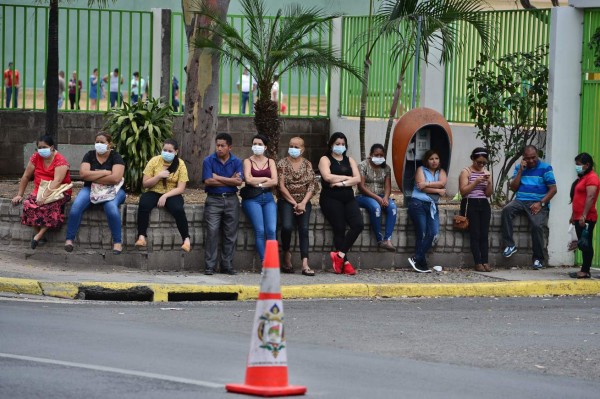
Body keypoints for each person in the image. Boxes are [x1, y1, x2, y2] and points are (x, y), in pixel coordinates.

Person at [64, 132, 126, 254]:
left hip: (113, 189)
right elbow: (83, 175)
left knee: (111, 207)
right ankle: (69, 240)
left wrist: (92, 176)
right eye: (97, 142)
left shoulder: (116, 156)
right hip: (91, 188)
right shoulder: (89, 155)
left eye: (102, 142)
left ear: (109, 144)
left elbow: (115, 179)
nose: (99, 144)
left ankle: (117, 243)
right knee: (76, 206)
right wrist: (106, 172)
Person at [11, 135, 72, 249]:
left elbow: (57, 181)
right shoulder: (36, 157)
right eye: (39, 147)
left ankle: (39, 235)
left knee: (50, 205)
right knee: (28, 204)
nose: (42, 150)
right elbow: (26, 176)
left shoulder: (60, 160)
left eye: (45, 147)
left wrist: (44, 196)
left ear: (52, 147)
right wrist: (19, 194)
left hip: (58, 191)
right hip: (39, 190)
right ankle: (39, 233)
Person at [501, 145, 557, 270]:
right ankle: (510, 245)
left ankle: (538, 259)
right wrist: (521, 170)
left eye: (533, 157)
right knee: (506, 210)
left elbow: (553, 189)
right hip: (521, 200)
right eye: (528, 158)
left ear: (537, 155)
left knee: (537, 226)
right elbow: (514, 188)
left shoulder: (545, 168)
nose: (531, 160)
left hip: (537, 202)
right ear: (523, 158)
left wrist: (541, 203)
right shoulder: (519, 168)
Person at [318, 132, 364, 275]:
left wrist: (342, 183)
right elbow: (327, 177)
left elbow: (357, 179)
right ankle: (346, 263)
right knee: (340, 228)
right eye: (337, 144)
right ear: (331, 144)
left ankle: (339, 255)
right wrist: (346, 177)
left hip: (348, 198)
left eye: (343, 144)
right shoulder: (325, 159)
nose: (340, 146)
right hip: (330, 198)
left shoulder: (349, 160)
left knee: (358, 225)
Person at [134, 139, 191, 253]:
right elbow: (145, 184)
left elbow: (181, 188)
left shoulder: (180, 164)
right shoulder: (155, 161)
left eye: (170, 151)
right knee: (144, 203)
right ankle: (141, 236)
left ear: (176, 152)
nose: (167, 153)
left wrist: (165, 196)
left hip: (172, 192)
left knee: (178, 209)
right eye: (164, 150)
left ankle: (186, 239)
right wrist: (158, 176)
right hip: (154, 190)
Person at [202, 132, 244, 275]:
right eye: (217, 145)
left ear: (229, 147)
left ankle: (227, 265)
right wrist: (230, 179)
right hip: (214, 199)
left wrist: (217, 177)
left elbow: (239, 181)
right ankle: (210, 266)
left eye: (222, 146)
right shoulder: (208, 160)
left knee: (230, 233)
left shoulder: (237, 162)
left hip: (232, 199)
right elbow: (208, 181)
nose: (219, 148)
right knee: (212, 232)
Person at [277, 136, 317, 276]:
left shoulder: (307, 164)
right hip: (287, 201)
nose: (293, 149)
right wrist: (295, 204)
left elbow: (311, 186)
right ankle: (286, 254)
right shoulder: (282, 163)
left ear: (303, 149)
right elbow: (281, 186)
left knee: (304, 229)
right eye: (291, 146)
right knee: (287, 227)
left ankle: (305, 263)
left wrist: (303, 203)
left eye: (296, 147)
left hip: (304, 201)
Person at [407, 149, 447, 273]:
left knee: (434, 233)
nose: (434, 161)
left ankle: (416, 258)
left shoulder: (442, 171)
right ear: (427, 160)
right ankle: (421, 263)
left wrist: (427, 184)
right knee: (422, 233)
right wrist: (437, 190)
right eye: (431, 159)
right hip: (418, 204)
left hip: (432, 205)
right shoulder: (420, 170)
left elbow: (442, 183)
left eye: (436, 158)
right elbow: (420, 187)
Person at [242, 134, 278, 265]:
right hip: (252, 199)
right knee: (260, 230)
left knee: (271, 230)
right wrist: (265, 179)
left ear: (265, 147)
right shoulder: (247, 161)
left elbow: (274, 181)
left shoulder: (271, 162)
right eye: (255, 144)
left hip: (268, 198)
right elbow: (248, 179)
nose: (257, 147)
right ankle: (265, 262)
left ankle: (272, 262)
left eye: (260, 144)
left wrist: (260, 184)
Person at [356, 143, 397, 252]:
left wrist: (386, 198)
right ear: (370, 154)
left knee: (392, 208)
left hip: (381, 195)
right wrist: (378, 199)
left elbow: (388, 186)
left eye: (381, 155)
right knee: (376, 208)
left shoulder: (386, 168)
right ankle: (380, 240)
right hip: (363, 196)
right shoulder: (363, 165)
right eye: (376, 155)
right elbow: (361, 186)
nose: (379, 158)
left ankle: (388, 239)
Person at [458, 147, 493, 272]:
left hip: (483, 203)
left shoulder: (486, 172)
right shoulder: (466, 172)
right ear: (473, 159)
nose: (481, 165)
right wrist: (476, 182)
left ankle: (485, 261)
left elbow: (488, 194)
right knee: (475, 233)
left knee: (484, 233)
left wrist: (489, 183)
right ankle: (478, 262)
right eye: (479, 162)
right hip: (470, 202)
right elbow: (463, 191)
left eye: (484, 163)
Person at [568, 153, 599, 279]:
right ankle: (584, 270)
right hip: (578, 217)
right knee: (582, 243)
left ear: (587, 165)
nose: (577, 167)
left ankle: (585, 270)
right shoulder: (582, 177)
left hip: (587, 217)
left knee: (586, 244)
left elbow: (590, 197)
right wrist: (573, 215)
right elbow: (577, 198)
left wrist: (584, 215)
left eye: (579, 165)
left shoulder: (592, 178)